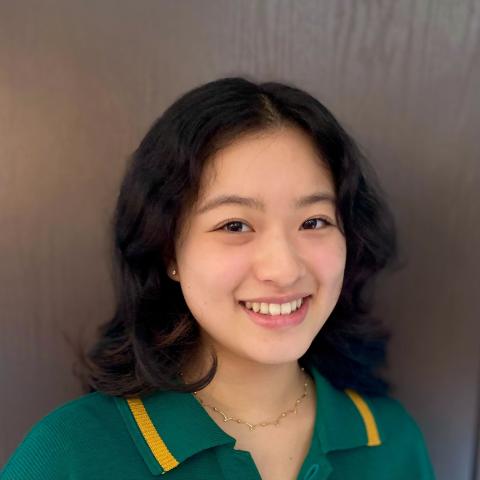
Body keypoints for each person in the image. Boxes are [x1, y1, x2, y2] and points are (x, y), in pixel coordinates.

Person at [1, 77, 436, 480]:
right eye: (235, 225)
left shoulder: (392, 442)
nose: (284, 269)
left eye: (314, 221)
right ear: (167, 249)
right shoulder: (70, 454)